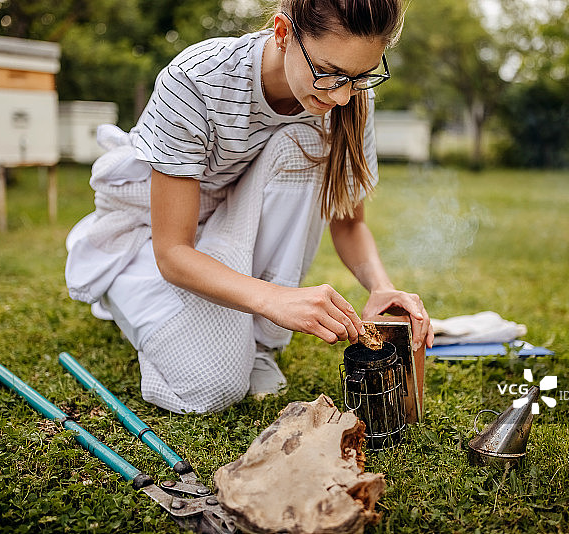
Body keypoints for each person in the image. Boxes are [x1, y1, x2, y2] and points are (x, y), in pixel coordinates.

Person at [65, 0, 433, 414]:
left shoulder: (342, 104)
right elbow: (173, 253)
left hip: (232, 226)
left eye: (360, 76)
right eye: (330, 73)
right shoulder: (194, 82)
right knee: (209, 389)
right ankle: (124, 289)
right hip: (151, 236)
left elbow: (348, 223)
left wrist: (380, 287)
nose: (344, 96)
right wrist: (275, 299)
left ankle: (257, 342)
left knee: (304, 140)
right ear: (282, 32)